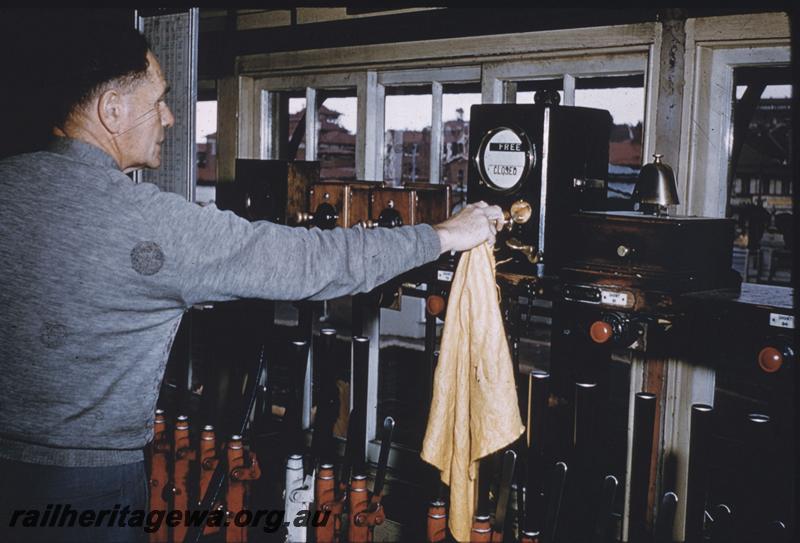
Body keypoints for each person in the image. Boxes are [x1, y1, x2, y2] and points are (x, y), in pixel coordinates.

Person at [0, 24, 504, 543]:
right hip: (87, 489)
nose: (169, 118)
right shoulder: (146, 223)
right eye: (160, 101)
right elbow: (308, 262)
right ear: (112, 111)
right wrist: (443, 235)